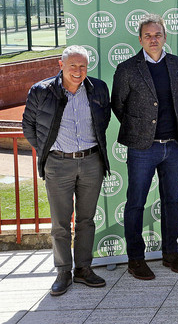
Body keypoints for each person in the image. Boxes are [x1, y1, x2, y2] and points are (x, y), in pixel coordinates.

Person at [22, 45, 111, 296]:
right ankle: (63, 271)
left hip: (92, 161)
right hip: (58, 164)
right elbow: (28, 125)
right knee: (60, 223)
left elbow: (104, 119)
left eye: (83, 66)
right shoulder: (41, 91)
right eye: (73, 65)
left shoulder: (99, 88)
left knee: (86, 219)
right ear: (61, 65)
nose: (78, 70)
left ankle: (83, 269)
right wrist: (48, 151)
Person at [112, 14, 178, 280]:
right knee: (136, 203)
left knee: (172, 202)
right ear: (140, 39)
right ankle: (135, 259)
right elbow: (118, 105)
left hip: (174, 147)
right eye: (148, 35)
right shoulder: (127, 69)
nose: (153, 39)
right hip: (142, 148)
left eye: (158, 35)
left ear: (165, 36)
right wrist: (141, 129)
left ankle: (171, 253)